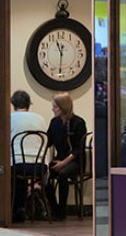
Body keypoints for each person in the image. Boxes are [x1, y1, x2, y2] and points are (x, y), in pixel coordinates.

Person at [46, 92, 87, 220]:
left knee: (63, 174)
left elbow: (77, 150)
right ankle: (55, 208)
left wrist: (63, 163)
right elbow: (48, 141)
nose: (53, 109)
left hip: (75, 161)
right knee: (44, 174)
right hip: (60, 159)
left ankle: (62, 211)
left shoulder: (78, 123)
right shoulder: (54, 122)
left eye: (55, 107)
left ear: (63, 107)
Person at [10, 90, 47, 222]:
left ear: (13, 104)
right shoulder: (40, 119)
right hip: (40, 165)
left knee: (8, 173)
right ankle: (25, 207)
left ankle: (16, 209)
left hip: (19, 164)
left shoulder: (10, 118)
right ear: (29, 104)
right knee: (21, 174)